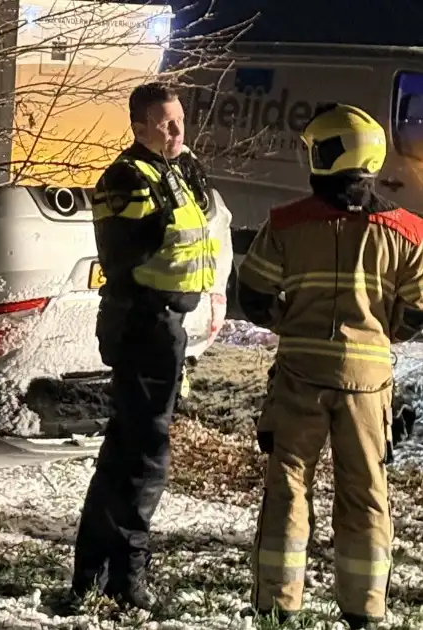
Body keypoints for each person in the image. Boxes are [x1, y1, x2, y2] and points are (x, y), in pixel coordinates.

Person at [236, 102, 423, 629]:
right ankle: (364, 610)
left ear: (328, 154)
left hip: (299, 376)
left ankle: (277, 603)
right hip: (368, 384)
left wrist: (290, 325)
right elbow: (418, 311)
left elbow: (251, 294)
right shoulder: (408, 230)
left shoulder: (287, 223)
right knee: (366, 491)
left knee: (288, 485)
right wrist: (384, 333)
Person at [69, 81, 220, 611]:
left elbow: (201, 232)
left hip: (166, 325)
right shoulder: (126, 179)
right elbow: (126, 255)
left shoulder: (180, 168)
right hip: (143, 325)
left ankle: (93, 572)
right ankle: (125, 579)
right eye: (165, 123)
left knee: (125, 450)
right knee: (144, 456)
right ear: (138, 126)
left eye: (180, 119)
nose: (178, 130)